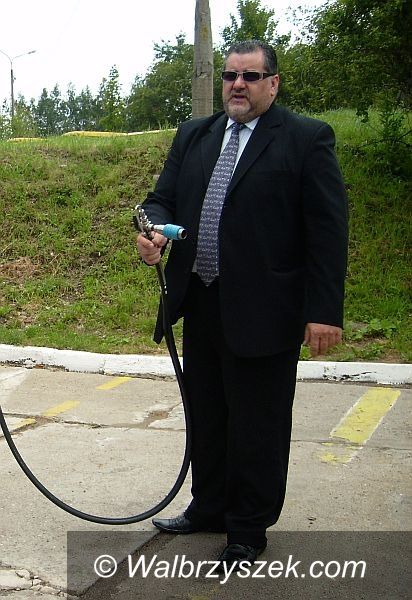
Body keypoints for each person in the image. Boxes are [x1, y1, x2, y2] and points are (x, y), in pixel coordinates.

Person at [137, 40, 348, 571]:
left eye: (250, 77)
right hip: (201, 300)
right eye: (231, 75)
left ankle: (248, 528)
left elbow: (327, 232)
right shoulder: (196, 134)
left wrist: (324, 312)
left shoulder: (305, 138)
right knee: (207, 414)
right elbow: (161, 199)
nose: (237, 85)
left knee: (258, 424)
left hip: (266, 310)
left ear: (272, 84)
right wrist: (152, 230)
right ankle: (209, 507)